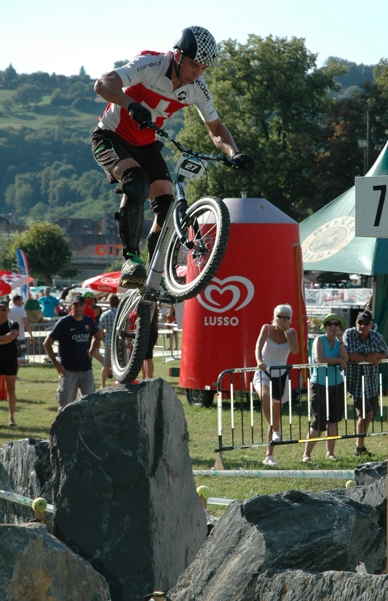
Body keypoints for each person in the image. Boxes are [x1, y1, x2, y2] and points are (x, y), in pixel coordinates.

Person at [92, 26, 254, 289]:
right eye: (193, 65)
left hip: (147, 146)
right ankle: (131, 260)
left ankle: (152, 274)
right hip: (111, 137)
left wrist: (234, 153)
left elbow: (216, 128)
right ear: (177, 55)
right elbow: (102, 84)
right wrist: (131, 105)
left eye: (203, 68)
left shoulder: (197, 87)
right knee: (136, 182)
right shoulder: (150, 64)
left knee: (168, 209)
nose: (197, 74)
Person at [253, 304, 299, 467]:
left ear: (290, 319)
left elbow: (295, 350)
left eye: (287, 317)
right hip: (264, 372)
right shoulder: (266, 329)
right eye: (280, 316)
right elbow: (258, 347)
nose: (283, 320)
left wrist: (287, 332)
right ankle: (276, 430)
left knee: (276, 415)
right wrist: (260, 362)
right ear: (274, 317)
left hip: (281, 375)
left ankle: (269, 455)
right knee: (265, 396)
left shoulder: (292, 332)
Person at [302, 313, 348, 463]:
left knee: (333, 421)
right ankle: (306, 455)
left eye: (336, 324)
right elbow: (319, 358)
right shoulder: (318, 340)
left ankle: (330, 453)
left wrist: (341, 341)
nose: (333, 326)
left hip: (337, 384)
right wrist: (338, 360)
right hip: (319, 385)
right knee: (319, 422)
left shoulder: (339, 342)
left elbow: (345, 359)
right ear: (325, 326)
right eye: (330, 324)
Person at [43, 295, 100, 413]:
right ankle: (61, 425)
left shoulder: (88, 321)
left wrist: (91, 351)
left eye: (80, 305)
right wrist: (57, 364)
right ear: (71, 307)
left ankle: (84, 425)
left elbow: (96, 336)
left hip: (86, 368)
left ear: (84, 306)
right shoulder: (64, 322)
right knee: (65, 407)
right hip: (68, 370)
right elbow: (47, 343)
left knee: (89, 404)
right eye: (76, 305)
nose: (78, 308)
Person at [343, 310, 388, 458]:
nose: (362, 326)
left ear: (371, 325)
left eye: (366, 323)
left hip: (371, 382)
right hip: (355, 382)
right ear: (355, 323)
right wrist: (369, 357)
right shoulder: (349, 334)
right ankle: (359, 447)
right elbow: (349, 355)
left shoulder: (378, 337)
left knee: (369, 414)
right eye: (360, 322)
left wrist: (377, 355)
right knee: (366, 413)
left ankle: (360, 447)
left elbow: (385, 353)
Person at [0, 300, 19, 426]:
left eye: (4, 309)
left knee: (10, 389)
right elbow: (7, 338)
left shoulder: (13, 324)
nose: (1, 312)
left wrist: (7, 338)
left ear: (8, 310)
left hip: (10, 360)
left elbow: (11, 336)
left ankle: (11, 418)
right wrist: (5, 339)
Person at [98, 294, 120, 388]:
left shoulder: (104, 315)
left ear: (109, 303)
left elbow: (100, 330)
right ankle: (120, 382)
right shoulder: (121, 314)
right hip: (119, 343)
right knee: (120, 364)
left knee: (106, 365)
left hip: (108, 342)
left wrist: (104, 339)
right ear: (118, 303)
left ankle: (102, 384)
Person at [8, 295, 34, 371]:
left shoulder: (7, 310)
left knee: (10, 355)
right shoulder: (21, 310)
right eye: (21, 301)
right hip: (20, 336)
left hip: (9, 336)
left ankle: (10, 372)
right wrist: (31, 335)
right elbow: (26, 324)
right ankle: (15, 372)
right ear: (17, 301)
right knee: (20, 356)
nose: (22, 302)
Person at [142, 306, 160, 379]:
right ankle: (146, 378)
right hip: (152, 330)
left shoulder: (149, 305)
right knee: (145, 357)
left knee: (148, 357)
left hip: (149, 331)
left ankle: (149, 378)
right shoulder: (154, 305)